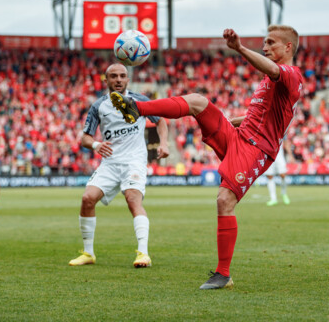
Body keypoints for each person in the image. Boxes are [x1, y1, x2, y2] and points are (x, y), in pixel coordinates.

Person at [111, 25, 303, 289]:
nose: (265, 47)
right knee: (198, 102)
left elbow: (271, 71)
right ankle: (137, 108)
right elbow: (257, 116)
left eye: (270, 43)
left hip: (256, 150)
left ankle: (223, 274)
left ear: (288, 47)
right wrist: (223, 120)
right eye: (264, 43)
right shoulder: (271, 81)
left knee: (225, 200)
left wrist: (239, 48)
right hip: (238, 136)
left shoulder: (291, 75)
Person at [69, 63, 169, 268]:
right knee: (87, 198)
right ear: (106, 80)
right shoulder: (98, 106)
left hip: (134, 161)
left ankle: (143, 253)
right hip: (110, 163)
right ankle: (88, 253)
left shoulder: (140, 101)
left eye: (122, 76)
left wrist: (164, 143)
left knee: (133, 199)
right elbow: (85, 138)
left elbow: (160, 121)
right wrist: (97, 144)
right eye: (113, 76)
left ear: (127, 80)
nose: (118, 80)